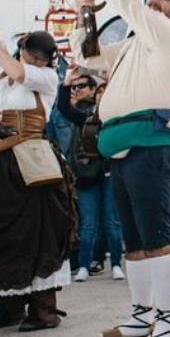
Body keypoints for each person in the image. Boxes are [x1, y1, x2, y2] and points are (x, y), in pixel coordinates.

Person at [65, 0, 170, 337]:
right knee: (134, 239)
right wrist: (84, 13)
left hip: (154, 142)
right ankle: (142, 316)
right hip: (123, 146)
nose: (154, 1)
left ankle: (168, 322)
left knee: (156, 232)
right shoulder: (133, 46)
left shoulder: (166, 34)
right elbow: (86, 56)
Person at [0, 32, 76, 331]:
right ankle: (8, 305)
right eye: (31, 52)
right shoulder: (0, 74)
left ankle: (43, 308)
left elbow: (20, 73)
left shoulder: (45, 77)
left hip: (30, 163)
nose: (35, 58)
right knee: (1, 233)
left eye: (40, 55)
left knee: (36, 232)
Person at [56, 68, 124, 282]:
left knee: (112, 222)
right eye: (100, 93)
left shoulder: (118, 118)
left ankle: (115, 264)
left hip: (111, 172)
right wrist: (67, 83)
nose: (103, 97)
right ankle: (84, 265)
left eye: (107, 93)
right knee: (88, 222)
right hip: (87, 175)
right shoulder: (85, 117)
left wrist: (112, 79)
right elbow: (64, 109)